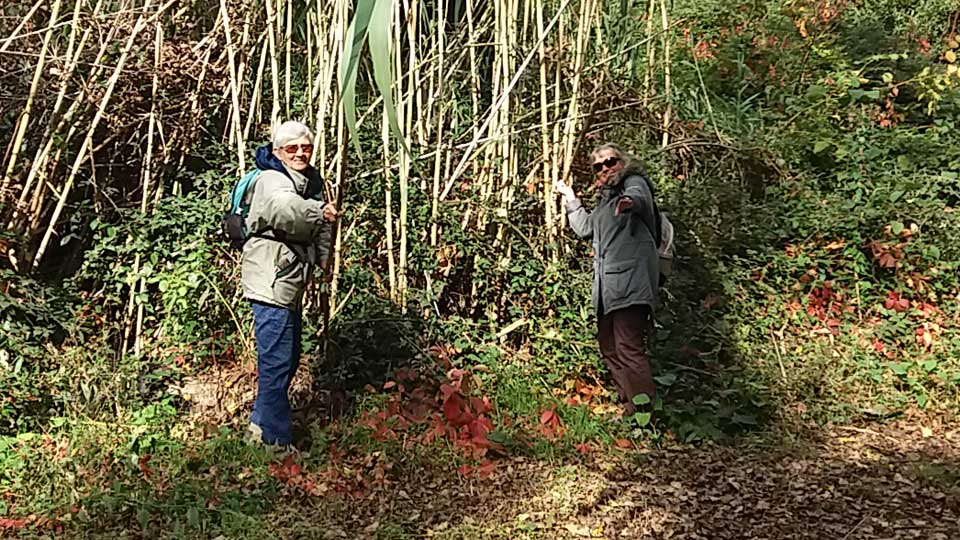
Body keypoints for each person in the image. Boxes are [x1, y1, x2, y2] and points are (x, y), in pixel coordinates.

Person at [242, 120, 338, 447]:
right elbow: (286, 210)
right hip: (269, 278)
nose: (300, 153)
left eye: (306, 147)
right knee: (277, 361)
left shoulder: (310, 182)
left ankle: (259, 427)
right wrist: (319, 210)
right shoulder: (271, 179)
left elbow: (323, 227)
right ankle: (275, 441)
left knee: (289, 356)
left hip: (289, 280)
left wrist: (323, 261)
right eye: (292, 148)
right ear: (278, 151)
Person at [555, 143, 659, 416]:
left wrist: (629, 202)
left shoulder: (634, 183)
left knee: (627, 346)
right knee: (609, 346)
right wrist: (570, 197)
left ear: (621, 161)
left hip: (632, 283)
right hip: (607, 289)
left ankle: (644, 411)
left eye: (609, 161)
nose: (604, 168)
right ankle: (631, 406)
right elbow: (585, 228)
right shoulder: (604, 200)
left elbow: (639, 198)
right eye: (598, 166)